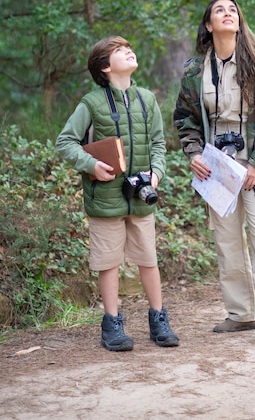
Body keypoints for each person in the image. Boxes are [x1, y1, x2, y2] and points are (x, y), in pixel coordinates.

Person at [173, 0, 255, 349]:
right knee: (227, 242)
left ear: (240, 21)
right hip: (217, 167)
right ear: (208, 25)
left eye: (232, 10)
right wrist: (194, 152)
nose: (227, 13)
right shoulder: (196, 69)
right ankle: (241, 314)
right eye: (218, 11)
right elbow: (185, 118)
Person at [56, 36, 179, 352]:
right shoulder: (91, 103)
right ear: (105, 67)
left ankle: (158, 319)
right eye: (118, 50)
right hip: (105, 198)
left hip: (141, 195)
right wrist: (92, 165)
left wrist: (157, 173)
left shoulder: (147, 99)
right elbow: (65, 142)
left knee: (148, 259)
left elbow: (158, 145)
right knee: (108, 262)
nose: (128, 51)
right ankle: (112, 324)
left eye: (129, 47)